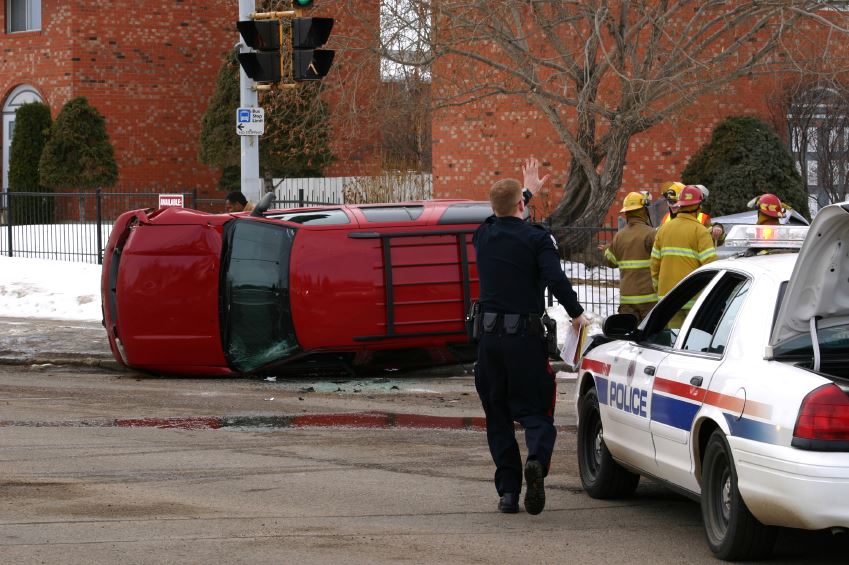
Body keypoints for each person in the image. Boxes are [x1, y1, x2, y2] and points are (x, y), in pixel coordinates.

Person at [472, 157, 588, 515]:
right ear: (523, 207)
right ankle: (536, 460)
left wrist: (524, 192)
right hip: (524, 339)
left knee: (498, 414)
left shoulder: (484, 235)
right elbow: (556, 279)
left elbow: (500, 212)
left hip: (488, 341)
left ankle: (508, 492)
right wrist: (577, 314)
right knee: (536, 410)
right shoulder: (537, 239)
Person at [650, 185, 717, 327]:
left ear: (680, 205)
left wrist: (659, 288)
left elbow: (654, 265)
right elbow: (711, 267)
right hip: (693, 300)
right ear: (699, 206)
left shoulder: (663, 229)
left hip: (668, 298)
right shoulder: (700, 231)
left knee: (672, 341)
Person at [599, 191, 657, 320]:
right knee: (650, 337)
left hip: (627, 300)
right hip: (649, 300)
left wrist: (606, 249)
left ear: (626, 213)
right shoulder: (651, 234)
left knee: (628, 338)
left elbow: (611, 261)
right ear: (644, 211)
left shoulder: (620, 235)